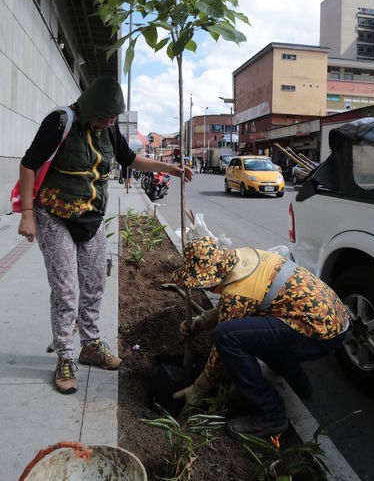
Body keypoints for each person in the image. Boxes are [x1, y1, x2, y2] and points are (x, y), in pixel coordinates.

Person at [17, 76, 193, 395]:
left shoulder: (109, 128)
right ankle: (65, 357)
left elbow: (130, 159)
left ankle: (90, 345)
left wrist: (171, 169)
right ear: (92, 107)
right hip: (53, 215)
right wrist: (27, 215)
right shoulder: (60, 122)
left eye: (113, 118)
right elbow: (29, 165)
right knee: (67, 289)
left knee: (96, 281)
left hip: (91, 218)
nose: (109, 122)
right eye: (105, 116)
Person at [173, 237, 349, 438]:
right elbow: (234, 306)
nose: (205, 288)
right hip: (333, 319)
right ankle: (299, 384)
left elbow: (224, 337)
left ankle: (271, 414)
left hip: (320, 334)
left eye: (204, 284)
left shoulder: (239, 294)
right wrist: (199, 323)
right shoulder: (242, 261)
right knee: (253, 330)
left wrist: (199, 387)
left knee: (228, 337)